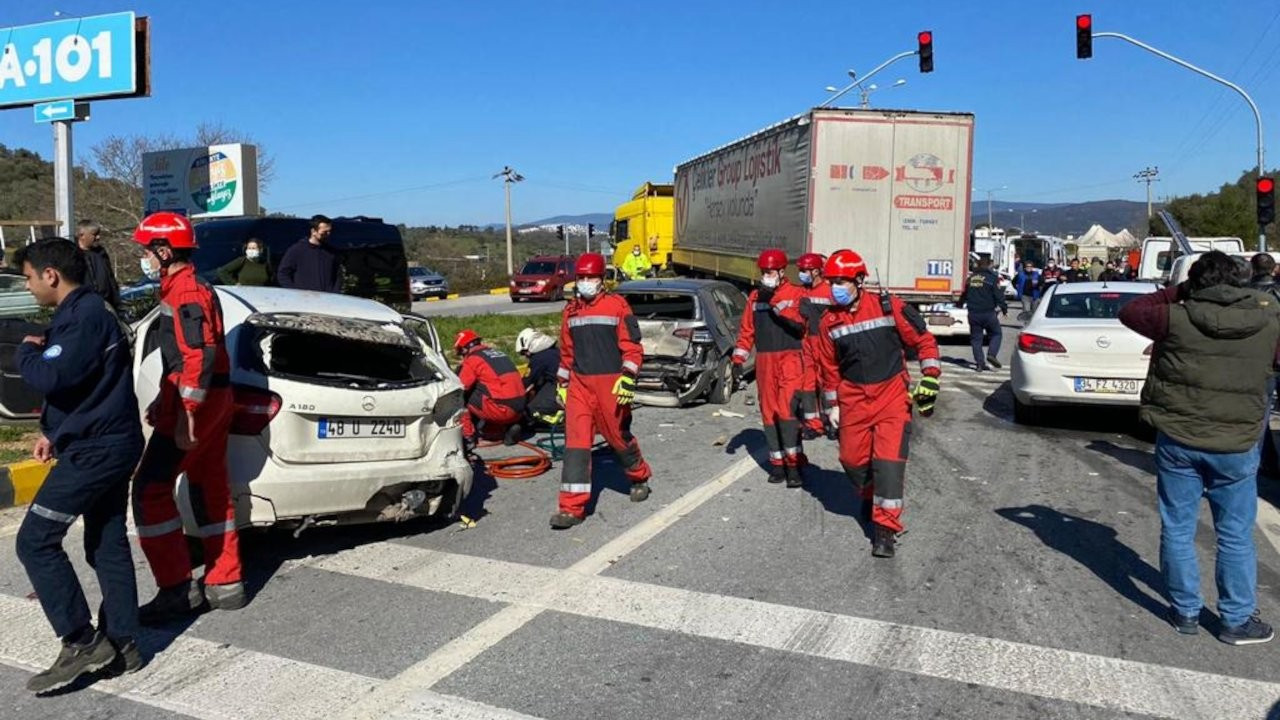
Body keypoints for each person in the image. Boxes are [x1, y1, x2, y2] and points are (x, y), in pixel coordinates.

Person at [1119, 250, 1279, 645]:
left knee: (1177, 527)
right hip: (1237, 441)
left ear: (1194, 283)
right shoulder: (1268, 319)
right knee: (1236, 533)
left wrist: (1181, 291)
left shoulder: (1174, 316)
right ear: (1239, 282)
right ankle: (1236, 619)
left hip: (1179, 437)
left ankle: (1185, 610)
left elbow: (1131, 309)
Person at [13, 239, 145, 693]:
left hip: (99, 450)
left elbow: (49, 376)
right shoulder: (85, 313)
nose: (29, 287)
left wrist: (26, 351)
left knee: (35, 540)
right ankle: (124, 643)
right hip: (100, 440)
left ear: (51, 275)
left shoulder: (84, 316)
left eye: (29, 277)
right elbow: (86, 387)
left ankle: (80, 641)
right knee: (106, 542)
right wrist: (55, 431)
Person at [130, 212, 245, 623]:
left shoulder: (186, 292)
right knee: (209, 485)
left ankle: (175, 589)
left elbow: (199, 355)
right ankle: (225, 581)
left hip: (198, 403)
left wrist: (186, 412)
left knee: (150, 491)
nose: (144, 257)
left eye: (147, 249)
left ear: (164, 250)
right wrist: (167, 398)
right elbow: (183, 356)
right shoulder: (187, 288)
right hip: (208, 399)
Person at [815, 249, 941, 558]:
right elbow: (829, 368)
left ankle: (885, 530)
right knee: (852, 460)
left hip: (891, 398)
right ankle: (869, 494)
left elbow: (924, 341)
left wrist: (930, 376)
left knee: (888, 465)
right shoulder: (828, 321)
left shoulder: (889, 307)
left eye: (842, 281)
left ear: (859, 280)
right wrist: (834, 406)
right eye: (832, 281)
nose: (836, 287)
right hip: (853, 399)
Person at [551, 252, 652, 529]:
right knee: (576, 444)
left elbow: (632, 348)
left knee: (618, 438)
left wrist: (628, 376)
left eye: (590, 277)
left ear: (602, 279)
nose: (585, 282)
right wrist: (561, 383)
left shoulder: (618, 307)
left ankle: (639, 475)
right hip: (580, 386)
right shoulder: (571, 311)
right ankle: (571, 507)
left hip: (610, 385)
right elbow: (567, 353)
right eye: (581, 278)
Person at [732, 249, 808, 487]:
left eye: (770, 272)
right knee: (769, 413)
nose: (766, 276)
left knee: (787, 412)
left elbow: (798, 324)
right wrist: (738, 359)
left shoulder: (796, 294)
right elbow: (747, 331)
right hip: (765, 361)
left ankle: (794, 465)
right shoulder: (754, 299)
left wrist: (772, 301)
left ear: (782, 271)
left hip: (791, 359)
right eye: (763, 272)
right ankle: (777, 465)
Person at [455, 329, 526, 446]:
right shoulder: (498, 353)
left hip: (501, 411)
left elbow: (461, 387)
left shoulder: (473, 360)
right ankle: (502, 430)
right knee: (487, 391)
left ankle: (468, 437)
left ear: (463, 349)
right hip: (519, 408)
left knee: (460, 397)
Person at [796, 252, 831, 439]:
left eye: (804, 270)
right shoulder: (803, 291)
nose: (801, 273)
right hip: (807, 341)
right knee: (807, 383)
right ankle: (813, 424)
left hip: (824, 342)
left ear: (816, 271)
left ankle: (830, 421)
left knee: (827, 382)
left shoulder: (829, 291)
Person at [957, 257, 1007, 371]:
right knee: (996, 334)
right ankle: (992, 354)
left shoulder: (971, 278)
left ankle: (980, 363)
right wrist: (1004, 309)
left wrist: (959, 304)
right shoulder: (992, 278)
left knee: (976, 339)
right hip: (988, 313)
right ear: (989, 265)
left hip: (973, 313)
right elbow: (998, 295)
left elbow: (964, 294)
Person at [277, 214, 342, 292]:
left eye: (329, 231)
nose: (328, 234)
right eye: (324, 232)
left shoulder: (331, 252)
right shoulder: (297, 250)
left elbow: (337, 276)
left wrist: (334, 293)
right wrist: (295, 292)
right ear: (313, 231)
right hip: (304, 301)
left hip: (327, 300)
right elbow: (283, 273)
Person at [516, 327, 563, 427]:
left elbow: (526, 382)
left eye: (524, 352)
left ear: (530, 345)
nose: (526, 356)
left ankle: (556, 418)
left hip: (559, 389)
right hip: (565, 386)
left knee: (531, 409)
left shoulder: (538, 359)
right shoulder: (555, 351)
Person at [76, 220, 121, 310]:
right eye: (94, 234)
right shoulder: (75, 255)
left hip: (108, 304)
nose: (98, 237)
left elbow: (110, 277)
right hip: (88, 306)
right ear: (82, 235)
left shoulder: (101, 253)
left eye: (98, 234)